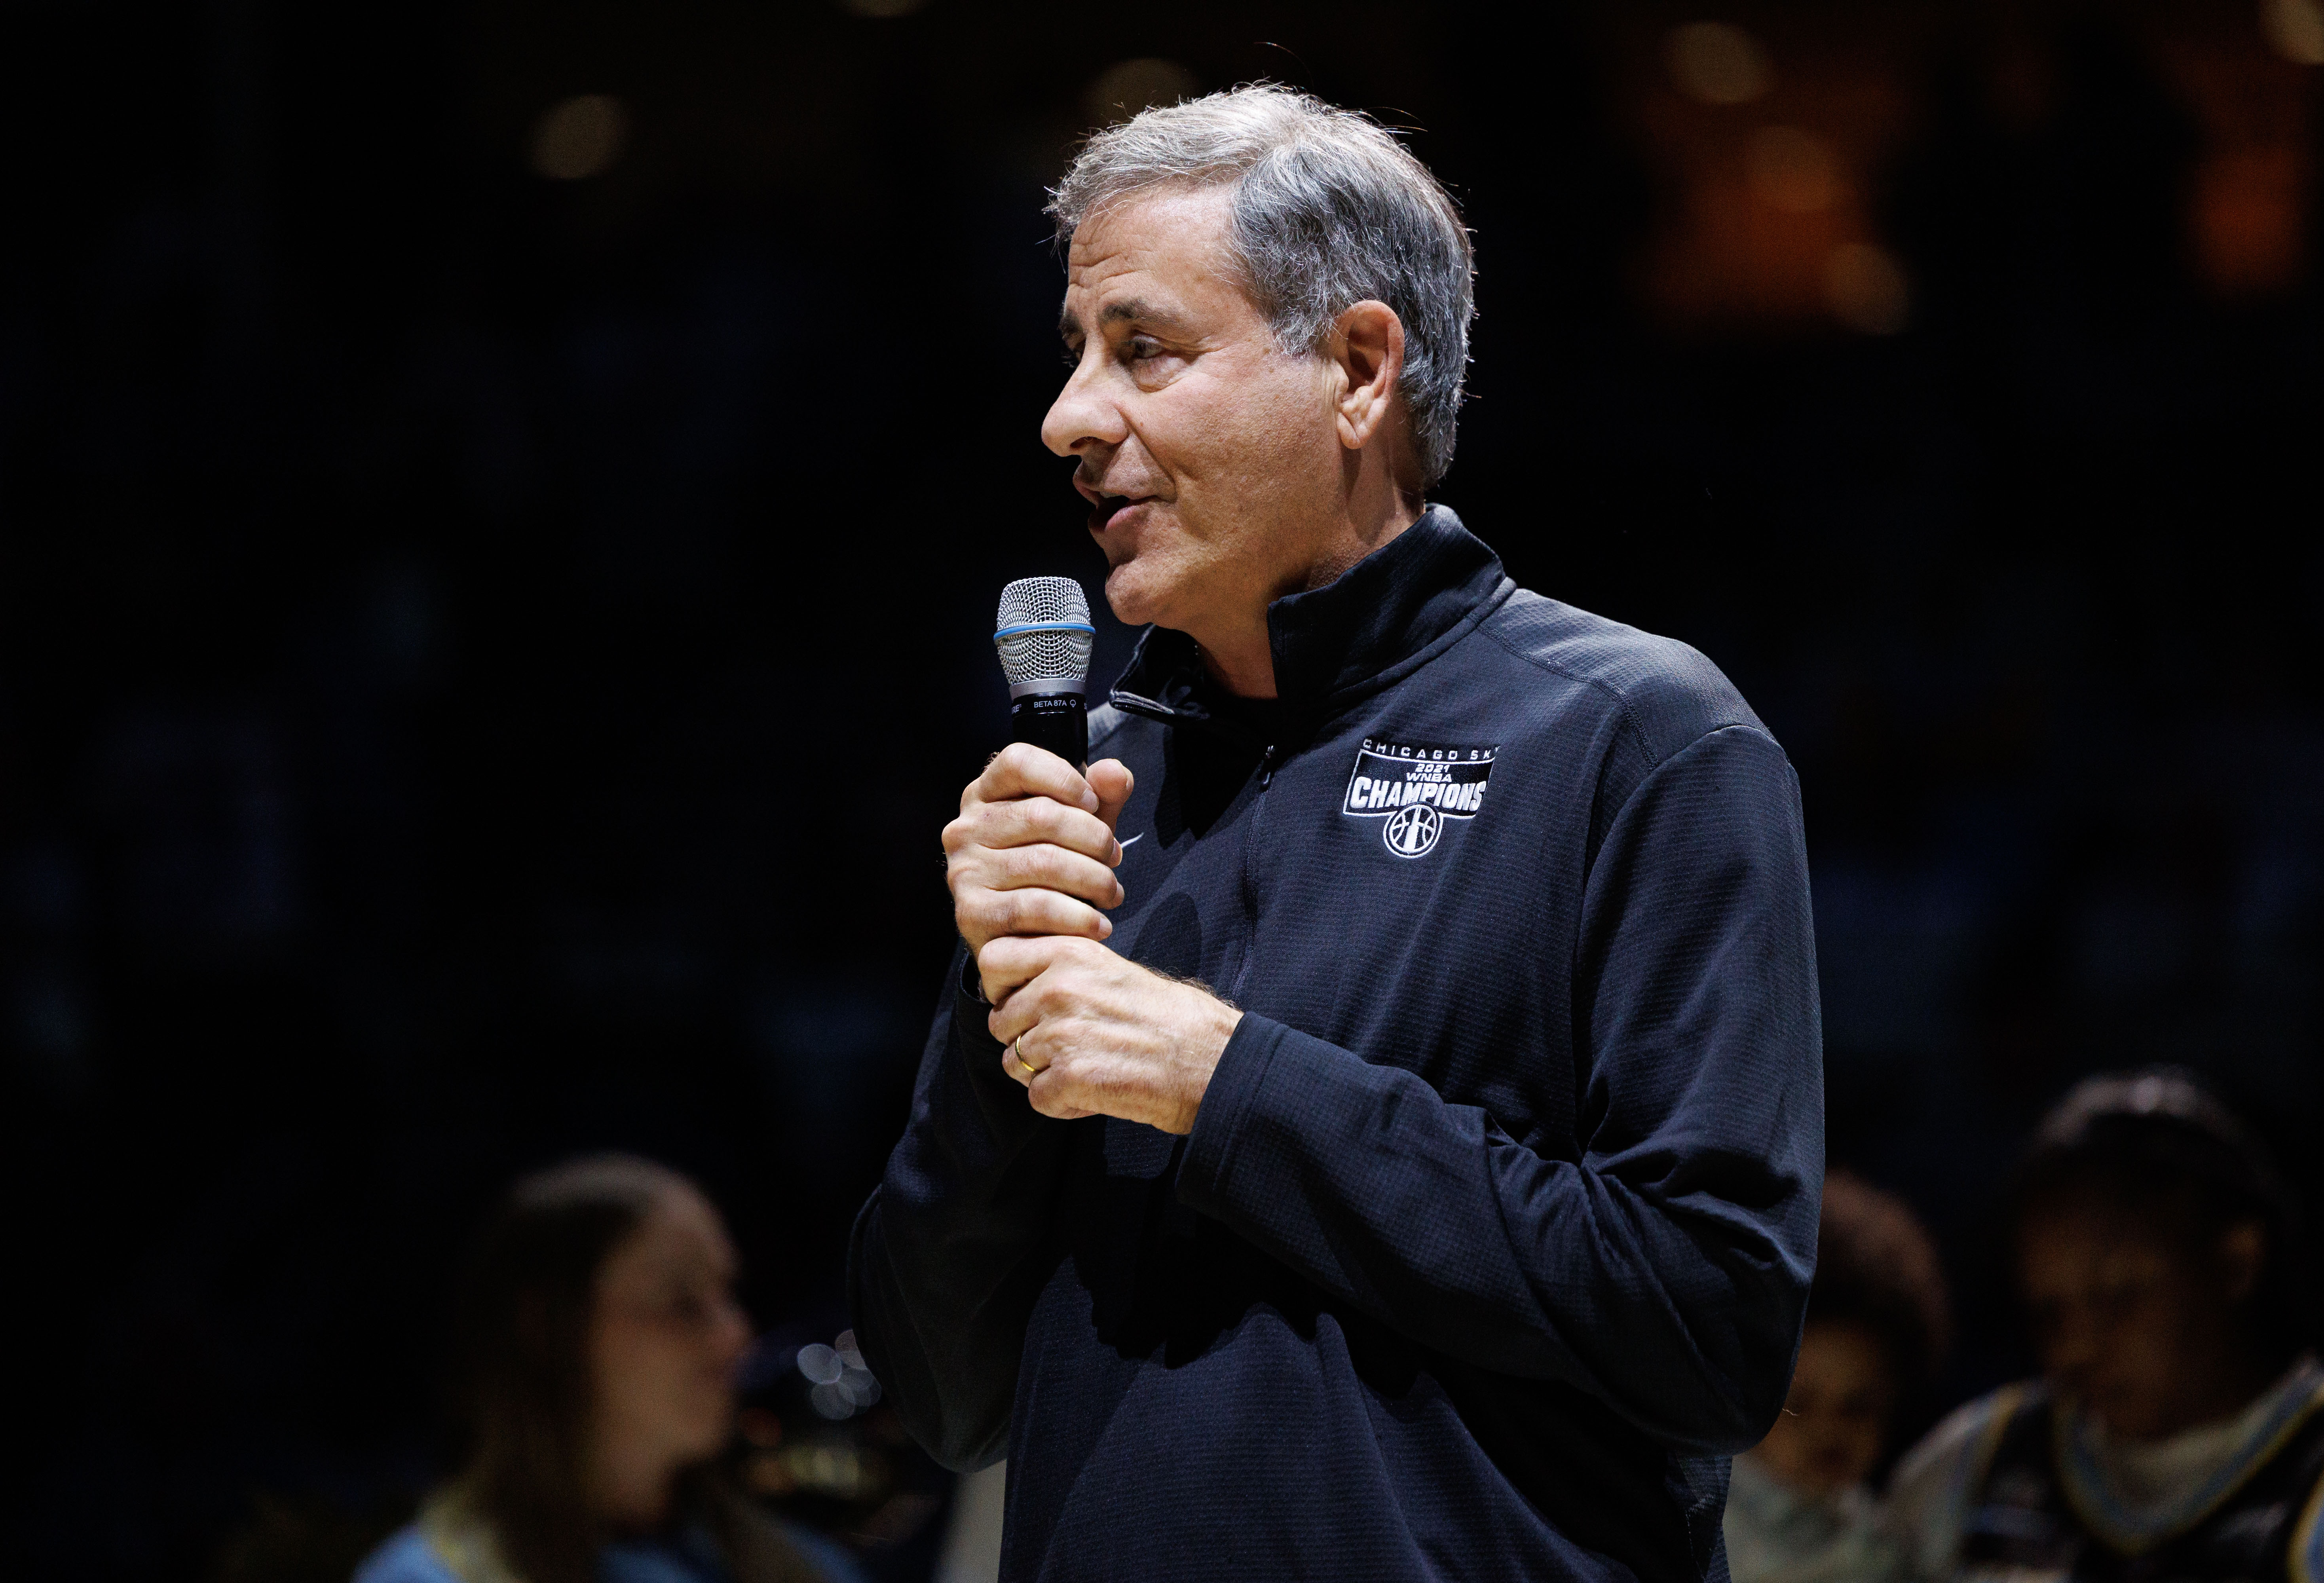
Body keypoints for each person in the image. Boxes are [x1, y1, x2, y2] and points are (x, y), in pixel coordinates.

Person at [847, 84, 1824, 1582]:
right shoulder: (1086, 781)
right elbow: (943, 1390)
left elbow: (1705, 1323)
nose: (1066, 419)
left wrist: (1222, 1079)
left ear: (1358, 368)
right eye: (1074, 356)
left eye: (1144, 349)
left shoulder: (1637, 739)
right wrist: (1002, 1013)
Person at [1886, 1069, 2324, 1583]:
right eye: (2049, 1312)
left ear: (2237, 1263)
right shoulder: (1970, 1468)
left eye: (2117, 1298)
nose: (2074, 1348)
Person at [356, 1156, 859, 1583]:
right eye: (682, 1302)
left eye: (728, 1294)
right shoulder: (428, 1575)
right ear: (548, 1331)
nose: (735, 1335)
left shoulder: (801, 1567)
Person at [1727, 1172, 1950, 1583]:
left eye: (1858, 1408)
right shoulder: (1696, 1526)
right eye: (1800, 1404)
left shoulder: (1882, 1543)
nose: (1829, 1431)